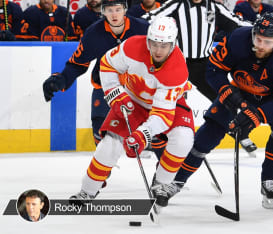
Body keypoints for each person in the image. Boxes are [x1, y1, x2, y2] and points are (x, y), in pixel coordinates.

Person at [163, 12, 273, 210]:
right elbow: (213, 69)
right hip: (240, 91)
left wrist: (256, 115)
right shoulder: (238, 38)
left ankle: (269, 181)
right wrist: (229, 93)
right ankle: (175, 182)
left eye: (267, 42)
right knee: (209, 132)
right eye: (258, 39)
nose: (260, 45)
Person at [70, 16, 195, 209]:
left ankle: (161, 185)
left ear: (173, 44)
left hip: (167, 107)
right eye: (154, 44)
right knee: (109, 146)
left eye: (164, 45)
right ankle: (87, 190)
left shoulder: (177, 69)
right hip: (133, 100)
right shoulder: (132, 47)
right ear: (148, 40)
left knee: (184, 138)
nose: (158, 50)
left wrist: (142, 135)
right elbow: (107, 64)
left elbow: (162, 115)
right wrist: (114, 93)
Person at [142, 0, 259, 156]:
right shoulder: (176, 4)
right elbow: (150, 19)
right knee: (163, 101)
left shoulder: (214, 7)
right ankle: (149, 137)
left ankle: (238, 132)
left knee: (226, 99)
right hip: (177, 62)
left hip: (204, 64)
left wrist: (261, 30)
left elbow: (236, 23)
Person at [43, 0, 149, 146]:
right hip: (105, 87)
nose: (114, 15)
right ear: (103, 12)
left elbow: (159, 57)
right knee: (101, 137)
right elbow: (78, 64)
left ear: (125, 10)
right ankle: (103, 167)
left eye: (118, 9)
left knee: (156, 135)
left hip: (138, 88)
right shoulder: (94, 33)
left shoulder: (143, 29)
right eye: (109, 10)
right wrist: (61, 79)